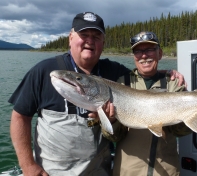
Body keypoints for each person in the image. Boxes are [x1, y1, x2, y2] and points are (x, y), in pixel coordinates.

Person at [8, 12, 186, 176]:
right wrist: (28, 165)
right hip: (53, 171)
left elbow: (143, 73)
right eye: (84, 35)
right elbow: (19, 117)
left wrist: (166, 73)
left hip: (99, 170)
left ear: (103, 42)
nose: (90, 41)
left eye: (96, 36)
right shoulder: (44, 71)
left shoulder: (114, 72)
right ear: (70, 38)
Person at [103, 31, 197, 176]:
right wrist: (111, 120)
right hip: (127, 171)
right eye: (138, 51)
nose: (144, 55)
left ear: (160, 54)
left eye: (149, 49)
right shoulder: (121, 84)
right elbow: (114, 137)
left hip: (167, 171)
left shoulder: (174, 84)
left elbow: (179, 132)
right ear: (134, 57)